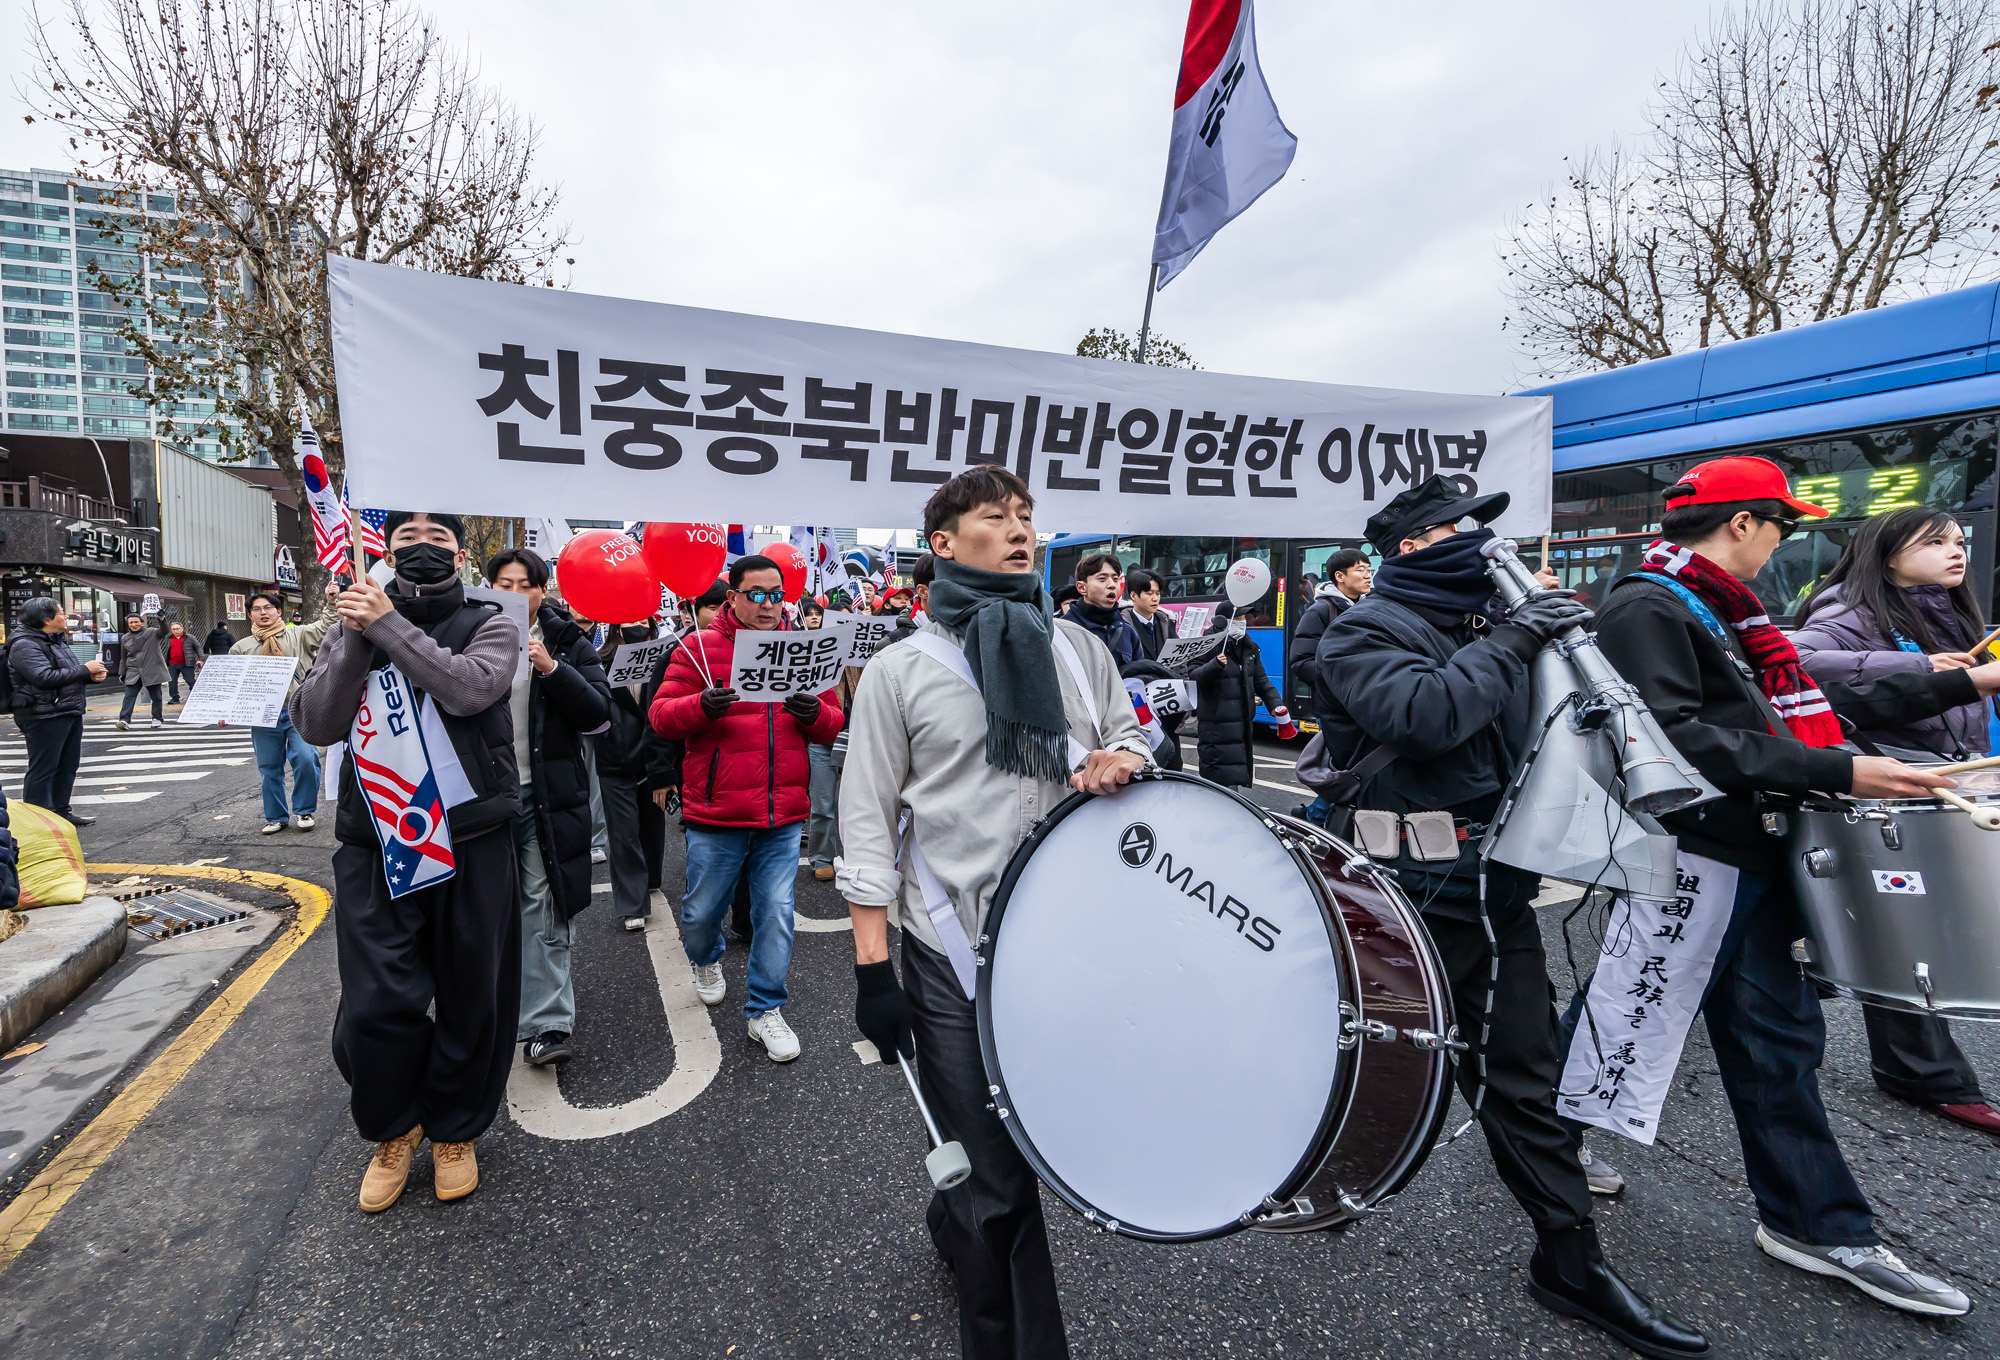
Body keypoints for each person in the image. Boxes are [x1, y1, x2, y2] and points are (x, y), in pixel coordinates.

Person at [1316, 474, 1707, 1358]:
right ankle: (1310, 1181)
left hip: (1494, 894)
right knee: (1355, 1062)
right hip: (1397, 902)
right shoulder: (1363, 629)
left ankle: (1570, 1263)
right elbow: (1424, 717)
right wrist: (1515, 638)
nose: (1486, 546)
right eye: (1464, 529)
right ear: (1413, 546)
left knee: (1521, 1081)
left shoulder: (1483, 625)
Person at [1594, 456, 1992, 1316]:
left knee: (1776, 1044)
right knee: (1620, 1017)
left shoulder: (1718, 605)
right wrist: (1840, 770)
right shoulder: (1648, 604)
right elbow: (1676, 738)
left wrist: (1844, 759)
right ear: (1743, 523)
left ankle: (1819, 1226)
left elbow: (1764, 714)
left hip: (1750, 849)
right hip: (1694, 856)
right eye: (1782, 526)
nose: (1783, 544)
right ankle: (1545, 1143)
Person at [840, 467, 1149, 1360]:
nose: (1020, 531)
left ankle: (955, 1216)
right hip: (952, 950)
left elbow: (1127, 731)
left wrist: (1118, 757)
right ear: (943, 544)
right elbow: (866, 828)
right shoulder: (901, 672)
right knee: (998, 1185)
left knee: (1027, 1138)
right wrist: (871, 976)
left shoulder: (1076, 651)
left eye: (1026, 517)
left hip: (1069, 943)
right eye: (994, 518)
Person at [292, 511, 522, 1212]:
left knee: (469, 995)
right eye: (404, 543)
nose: (421, 551)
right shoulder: (347, 623)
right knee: (376, 1003)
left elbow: (471, 688)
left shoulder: (494, 621)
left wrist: (389, 622)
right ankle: (396, 1127)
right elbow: (315, 722)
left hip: (471, 840)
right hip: (374, 839)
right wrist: (358, 634)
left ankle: (455, 1130)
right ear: (381, 554)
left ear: (461, 555)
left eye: (437, 541)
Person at [1783, 509, 2000, 1135]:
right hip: (1881, 792)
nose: (1956, 554)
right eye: (1935, 542)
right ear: (1885, 551)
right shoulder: (1846, 610)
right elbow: (1801, 666)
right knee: (1908, 927)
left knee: (1921, 925)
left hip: (1938, 781)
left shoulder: (1946, 610)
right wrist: (1927, 670)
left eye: (1960, 542)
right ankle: (1927, 1075)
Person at [649, 554, 845, 1063]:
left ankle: (765, 1010)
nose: (767, 603)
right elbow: (662, 716)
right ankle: (706, 957)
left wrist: (814, 713)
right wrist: (701, 707)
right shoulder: (698, 648)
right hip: (717, 812)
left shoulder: (802, 647)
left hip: (784, 813)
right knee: (701, 912)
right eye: (755, 594)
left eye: (775, 593)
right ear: (731, 596)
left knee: (776, 912)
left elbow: (831, 721)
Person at [485, 548, 612, 1069]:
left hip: (544, 795)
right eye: (504, 584)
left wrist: (553, 669)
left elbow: (598, 715)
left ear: (543, 590)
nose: (516, 594)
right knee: (484, 908)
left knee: (543, 904)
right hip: (481, 802)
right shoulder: (463, 632)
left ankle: (547, 1023)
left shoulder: (566, 640)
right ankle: (485, 1010)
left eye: (526, 585)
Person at [596, 616, 677, 933]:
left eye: (643, 618)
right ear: (615, 624)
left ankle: (651, 877)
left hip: (652, 757)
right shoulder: (600, 661)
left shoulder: (665, 659)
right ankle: (632, 902)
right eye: (629, 618)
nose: (637, 624)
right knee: (624, 832)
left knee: (653, 822)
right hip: (615, 759)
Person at [231, 591, 336, 834]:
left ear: (279, 612)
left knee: (307, 758)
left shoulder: (298, 634)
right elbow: (235, 685)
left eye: (268, 607)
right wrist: (226, 711)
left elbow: (327, 627)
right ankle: (276, 817)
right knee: (269, 767)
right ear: (250, 615)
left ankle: (304, 810)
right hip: (262, 713)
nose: (263, 612)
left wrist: (331, 602)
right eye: (257, 609)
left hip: (298, 708)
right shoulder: (241, 648)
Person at [7, 597, 107, 825]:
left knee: (67, 765)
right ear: (46, 619)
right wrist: (84, 669)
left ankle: (61, 813)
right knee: (44, 768)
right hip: (43, 714)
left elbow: (67, 675)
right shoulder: (25, 644)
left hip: (67, 710)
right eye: (61, 613)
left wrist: (90, 676)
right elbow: (42, 677)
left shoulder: (55, 640)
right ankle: (37, 822)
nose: (65, 616)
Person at [1292, 549, 1373, 825]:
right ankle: (1312, 823)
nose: (1367, 574)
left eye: (1368, 568)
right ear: (1340, 576)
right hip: (1337, 709)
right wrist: (1342, 679)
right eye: (1359, 569)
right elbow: (1301, 662)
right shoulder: (1321, 611)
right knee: (1344, 773)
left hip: (1366, 703)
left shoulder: (1371, 607)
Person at [1188, 602, 1285, 787]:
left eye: (1244, 618)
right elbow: (1193, 675)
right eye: (1238, 618)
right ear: (1223, 621)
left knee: (1234, 780)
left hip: (1241, 728)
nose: (1243, 622)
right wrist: (1213, 666)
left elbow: (1261, 681)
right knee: (1219, 785)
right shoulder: (1207, 644)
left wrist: (1275, 704)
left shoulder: (1248, 646)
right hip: (1216, 728)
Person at [799, 600, 841, 883]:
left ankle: (859, 856)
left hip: (861, 734)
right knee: (824, 804)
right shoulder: (808, 652)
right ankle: (823, 857)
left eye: (819, 614)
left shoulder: (876, 652)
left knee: (863, 804)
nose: (815, 618)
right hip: (823, 737)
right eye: (810, 615)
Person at [1112, 567, 1176, 667]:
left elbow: (1180, 663)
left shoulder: (1165, 622)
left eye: (1158, 594)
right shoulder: (1122, 626)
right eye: (1149, 594)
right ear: (1133, 596)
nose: (1155, 598)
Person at [115, 609, 167, 730]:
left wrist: (162, 619)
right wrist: (122, 673)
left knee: (156, 696)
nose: (133, 625)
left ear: (142, 623)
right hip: (133, 669)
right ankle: (124, 720)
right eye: (130, 623)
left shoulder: (152, 632)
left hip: (151, 668)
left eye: (136, 622)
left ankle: (156, 718)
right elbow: (123, 657)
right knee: (129, 695)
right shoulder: (125, 638)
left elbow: (164, 631)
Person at [1066, 552, 1124, 655]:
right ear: (1082, 588)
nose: (1112, 585)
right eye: (1102, 579)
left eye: (1115, 579)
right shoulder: (1064, 630)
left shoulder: (1127, 631)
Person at [164, 621, 204, 703]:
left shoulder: (190, 638)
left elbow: (198, 648)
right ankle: (175, 697)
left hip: (187, 663)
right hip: (173, 664)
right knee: (172, 682)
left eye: (177, 629)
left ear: (182, 629)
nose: (175, 631)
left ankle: (195, 694)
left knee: (190, 680)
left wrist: (201, 659)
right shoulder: (169, 638)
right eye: (173, 629)